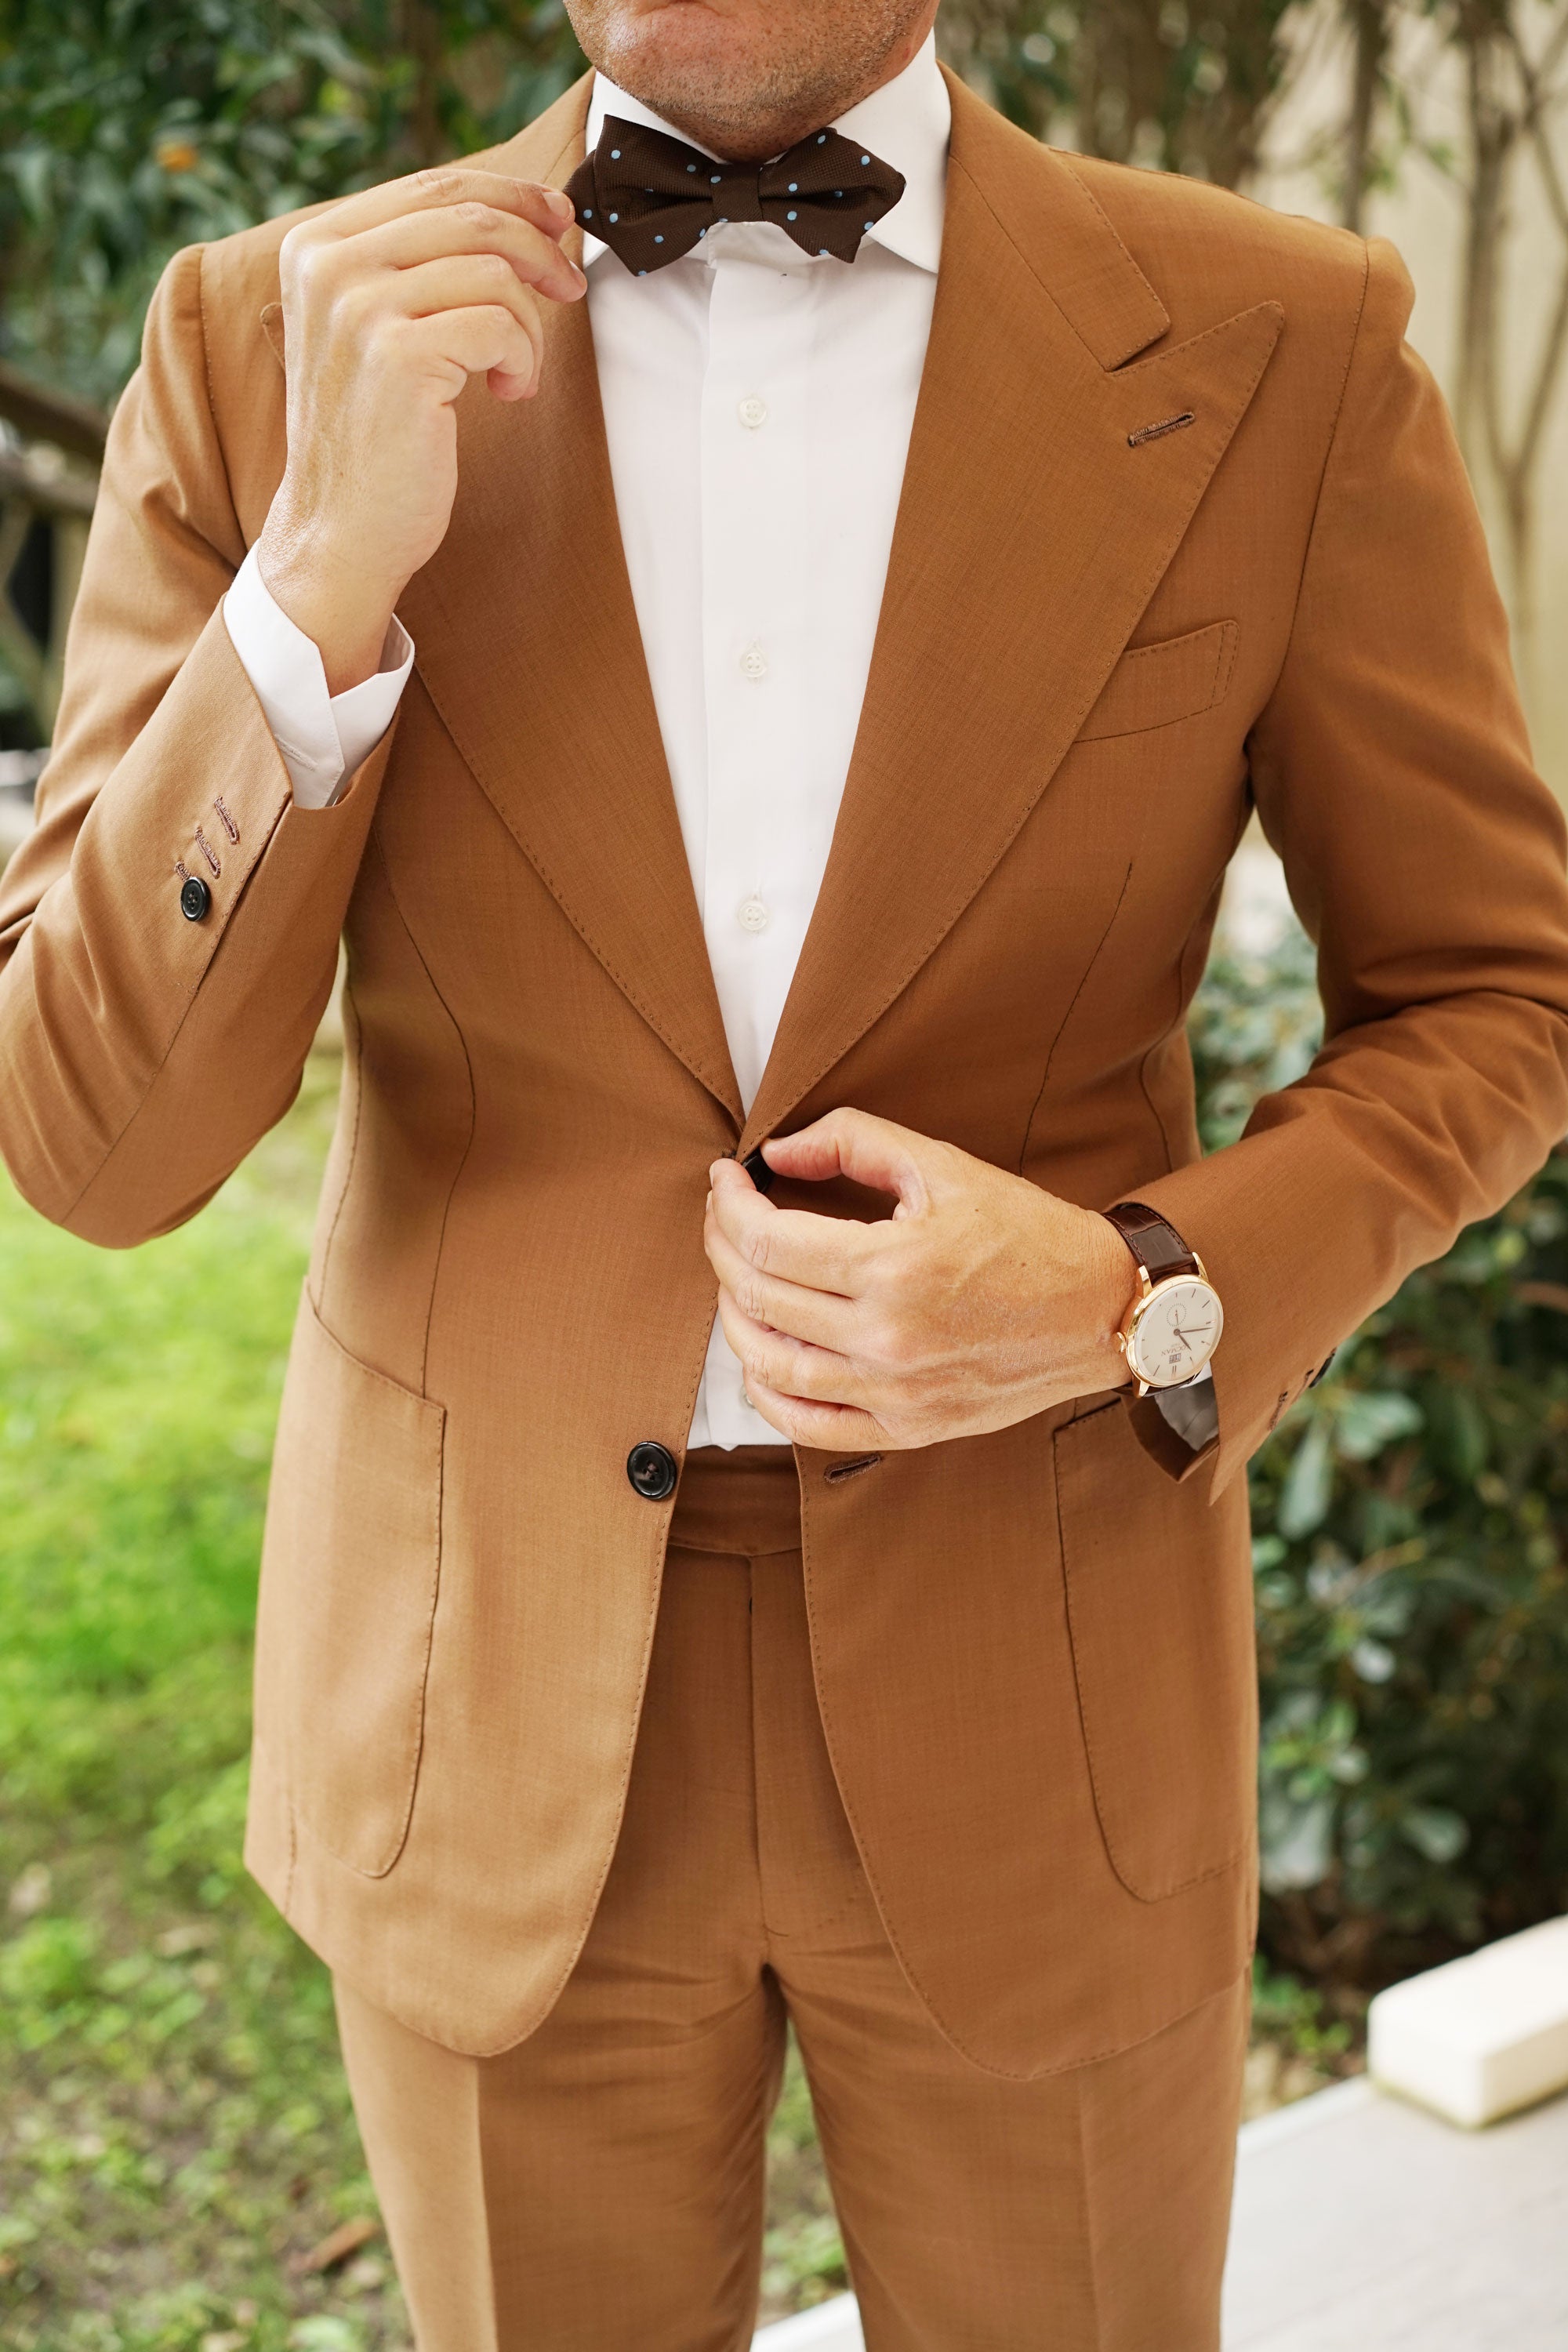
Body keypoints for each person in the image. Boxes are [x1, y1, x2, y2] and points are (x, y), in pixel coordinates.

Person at [3, 0, 1568, 2342]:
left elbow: (1496, 998)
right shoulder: (262, 341)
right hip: (486, 1701)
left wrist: (1147, 1285)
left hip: (1045, 1692)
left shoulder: (1286, 345)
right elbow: (90, 1143)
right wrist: (318, 583)